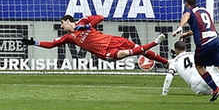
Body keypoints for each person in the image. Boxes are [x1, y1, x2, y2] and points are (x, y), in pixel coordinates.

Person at [22, 15, 168, 64]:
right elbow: (52, 44)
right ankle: (155, 42)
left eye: (62, 23)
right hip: (105, 52)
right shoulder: (69, 37)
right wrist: (35, 43)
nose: (61, 26)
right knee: (126, 53)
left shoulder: (83, 21)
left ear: (67, 21)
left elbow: (100, 17)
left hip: (113, 40)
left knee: (138, 49)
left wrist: (86, 26)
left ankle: (166, 62)